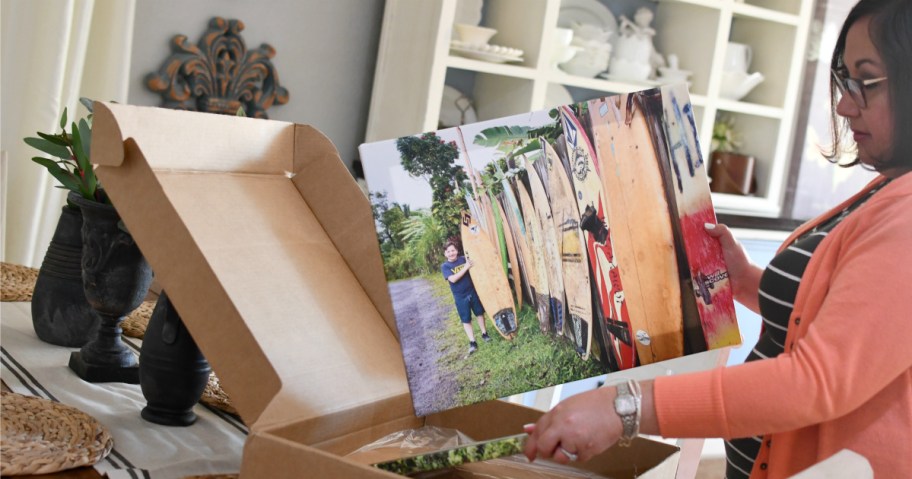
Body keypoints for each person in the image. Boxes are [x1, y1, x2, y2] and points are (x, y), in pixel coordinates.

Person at [522, 0, 912, 477]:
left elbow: (816, 381)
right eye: (843, 81)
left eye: (864, 81)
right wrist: (746, 282)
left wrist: (625, 406)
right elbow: (853, 328)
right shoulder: (890, 189)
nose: (844, 104)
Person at [441, 240, 491, 355]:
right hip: (460, 296)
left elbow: (477, 263)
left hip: (472, 291)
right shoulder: (445, 266)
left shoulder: (464, 259)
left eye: (453, 250)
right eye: (448, 251)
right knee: (466, 319)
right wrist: (466, 267)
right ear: (445, 254)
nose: (451, 253)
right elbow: (453, 279)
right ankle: (472, 342)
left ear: (457, 251)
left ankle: (484, 334)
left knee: (479, 313)